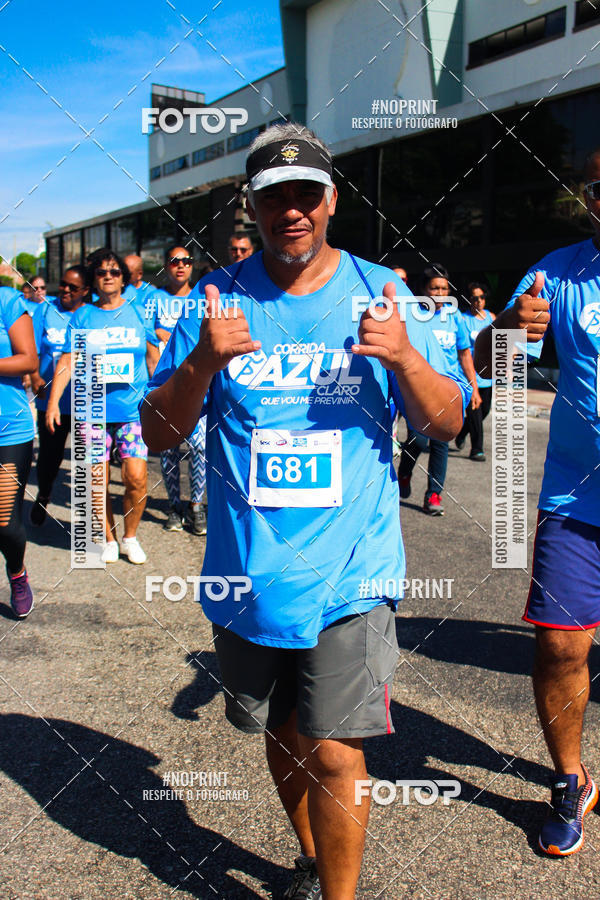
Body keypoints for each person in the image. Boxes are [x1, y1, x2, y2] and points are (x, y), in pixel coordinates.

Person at [141, 123, 470, 900]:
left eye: (306, 194)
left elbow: (447, 422)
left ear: (331, 200)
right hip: (247, 577)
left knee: (334, 750)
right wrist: (203, 361)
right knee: (283, 738)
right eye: (272, 196)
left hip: (351, 571)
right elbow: (158, 434)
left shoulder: (383, 293)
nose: (291, 209)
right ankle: (315, 861)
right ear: (251, 207)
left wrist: (404, 357)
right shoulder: (216, 303)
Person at [473, 147, 600, 857]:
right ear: (588, 196)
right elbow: (490, 363)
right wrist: (514, 326)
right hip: (576, 497)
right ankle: (569, 780)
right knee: (558, 644)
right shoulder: (556, 273)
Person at [46, 249, 159, 564]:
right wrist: (54, 402)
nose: (108, 276)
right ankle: (108, 538)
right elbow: (68, 361)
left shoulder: (137, 312)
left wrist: (163, 398)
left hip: (132, 411)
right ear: (94, 280)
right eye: (101, 272)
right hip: (91, 412)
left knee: (136, 477)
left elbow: (154, 358)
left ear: (123, 278)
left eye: (114, 271)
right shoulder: (83, 316)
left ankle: (130, 537)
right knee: (96, 479)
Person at [397, 264, 481, 515]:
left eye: (444, 288)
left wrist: (474, 387)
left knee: (441, 441)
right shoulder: (412, 315)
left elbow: (464, 354)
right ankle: (405, 471)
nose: (440, 293)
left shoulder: (454, 317)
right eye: (434, 288)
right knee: (419, 439)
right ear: (423, 289)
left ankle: (434, 494)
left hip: (449, 388)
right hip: (418, 389)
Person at [153, 245, 207, 535]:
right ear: (166, 265)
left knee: (199, 447)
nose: (181, 265)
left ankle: (196, 507)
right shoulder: (153, 299)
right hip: (164, 384)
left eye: (187, 261)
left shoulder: (202, 295)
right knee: (168, 449)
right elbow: (146, 335)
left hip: (199, 387)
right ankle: (175, 507)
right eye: (175, 261)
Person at [29, 266, 89, 525]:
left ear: (85, 291)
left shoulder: (91, 314)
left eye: (72, 287)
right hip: (50, 400)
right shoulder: (46, 309)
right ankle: (43, 494)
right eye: (63, 284)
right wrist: (35, 377)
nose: (64, 290)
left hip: (85, 402)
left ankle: (87, 513)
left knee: (85, 458)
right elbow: (29, 345)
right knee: (49, 458)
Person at [0, 286, 38, 616]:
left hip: (9, 431)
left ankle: (17, 573)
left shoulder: (6, 301)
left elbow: (28, 358)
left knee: (4, 524)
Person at [454, 283, 495, 461]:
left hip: (488, 376)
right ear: (469, 300)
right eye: (474, 298)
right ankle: (477, 449)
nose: (478, 301)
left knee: (485, 410)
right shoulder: (463, 319)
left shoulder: (491, 318)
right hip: (470, 375)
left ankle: (462, 431)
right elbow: (460, 349)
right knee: (475, 413)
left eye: (481, 297)